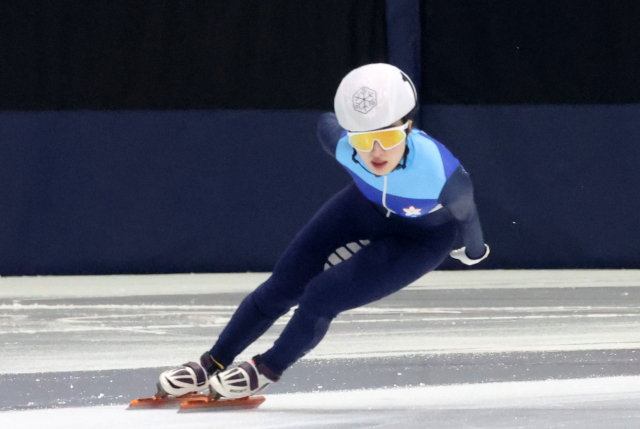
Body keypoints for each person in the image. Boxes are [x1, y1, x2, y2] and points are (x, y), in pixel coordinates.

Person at [157, 63, 489, 399]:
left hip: (421, 238)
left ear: (408, 127)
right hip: (362, 206)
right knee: (283, 284)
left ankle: (267, 368)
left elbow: (469, 217)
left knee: (322, 295)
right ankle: (212, 362)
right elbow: (327, 121)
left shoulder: (442, 174)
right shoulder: (339, 143)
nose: (375, 152)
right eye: (362, 139)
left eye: (388, 137)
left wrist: (475, 251)